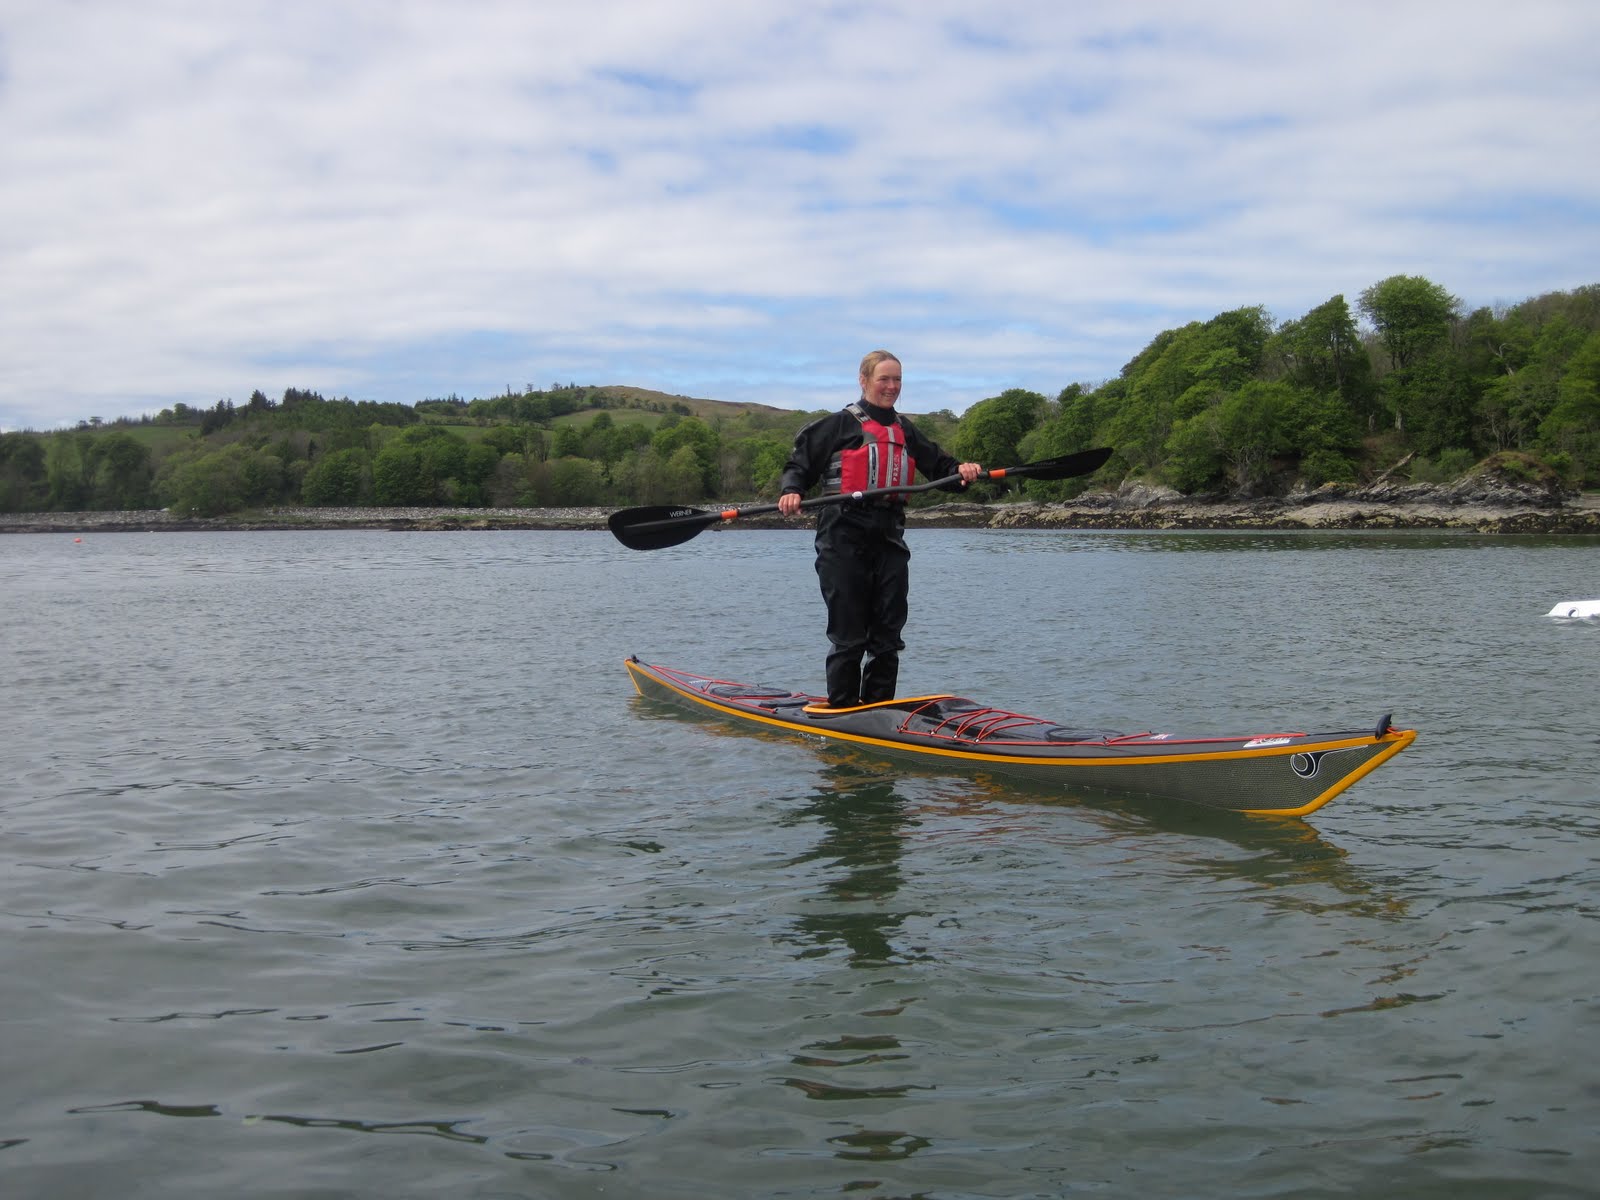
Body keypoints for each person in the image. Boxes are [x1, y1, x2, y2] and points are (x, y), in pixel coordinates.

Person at [778, 350, 982, 708]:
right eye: (883, 379)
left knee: (888, 634)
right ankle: (842, 708)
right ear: (864, 380)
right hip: (842, 533)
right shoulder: (837, 425)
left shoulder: (904, 429)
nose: (891, 386)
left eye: (897, 380)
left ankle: (877, 710)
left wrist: (963, 472)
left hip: (889, 536)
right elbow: (800, 463)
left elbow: (942, 469)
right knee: (849, 633)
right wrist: (791, 491)